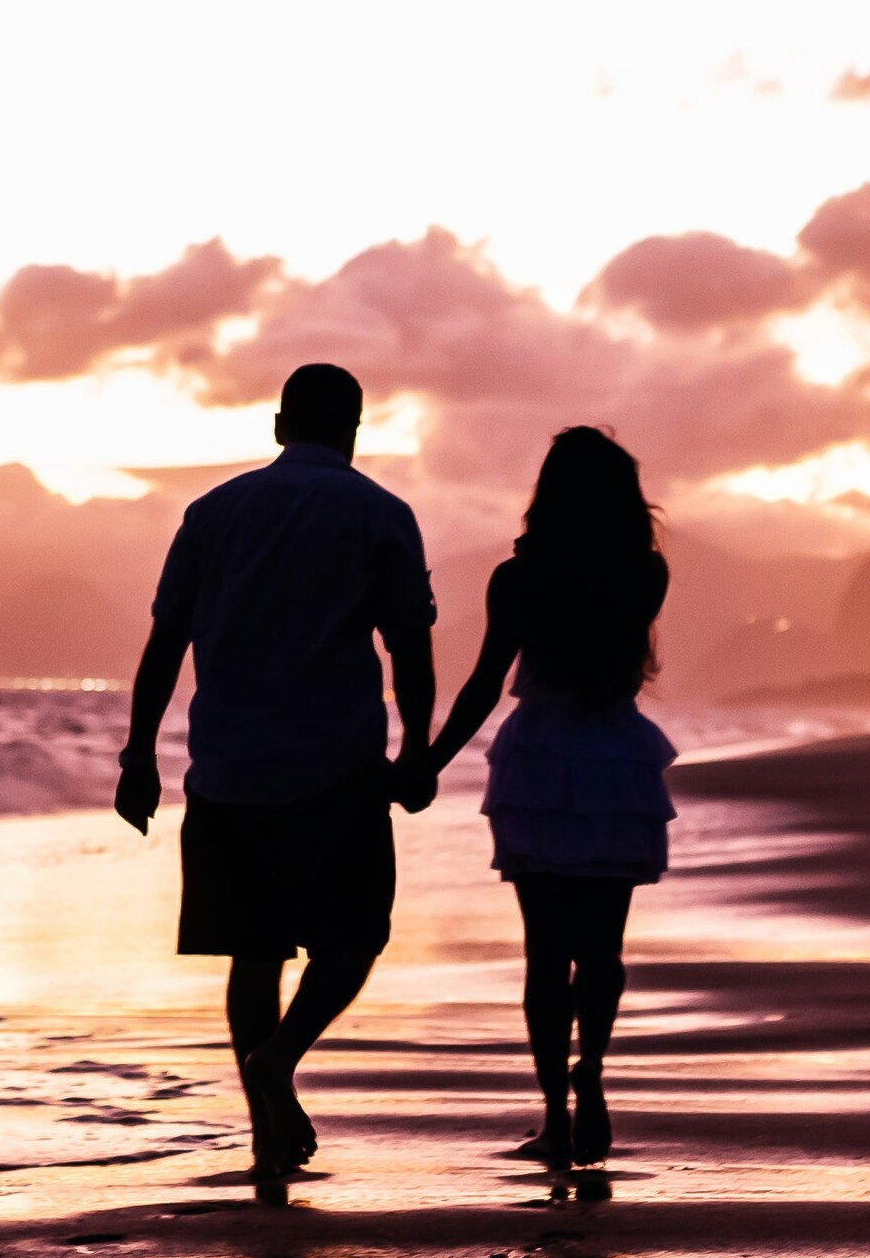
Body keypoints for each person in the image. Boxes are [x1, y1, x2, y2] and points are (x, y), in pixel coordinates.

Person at [118, 363, 437, 1180]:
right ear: (353, 431)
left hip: (228, 767)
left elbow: (166, 644)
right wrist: (416, 749)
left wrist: (138, 754)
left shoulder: (213, 512)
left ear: (278, 426)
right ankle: (281, 1059)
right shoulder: (381, 515)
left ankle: (265, 1122)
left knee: (253, 952)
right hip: (339, 768)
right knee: (355, 937)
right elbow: (410, 646)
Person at [417, 427, 674, 1171]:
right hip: (619, 758)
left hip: (539, 758)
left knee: (545, 952)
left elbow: (484, 684)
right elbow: (624, 652)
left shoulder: (518, 579)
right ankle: (590, 1081)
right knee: (603, 949)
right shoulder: (644, 574)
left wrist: (428, 761)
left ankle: (556, 1118)